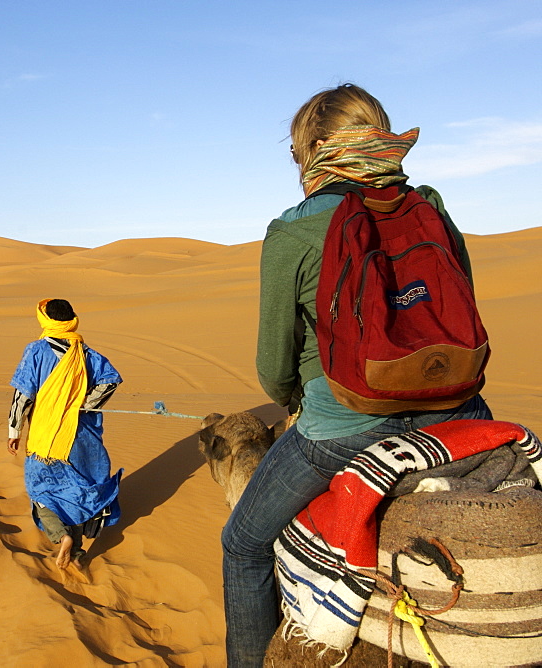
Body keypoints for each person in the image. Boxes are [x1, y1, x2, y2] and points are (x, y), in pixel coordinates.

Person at [221, 84, 493, 667]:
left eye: (298, 154)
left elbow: (275, 362)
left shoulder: (293, 230)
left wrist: (293, 399)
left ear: (316, 148)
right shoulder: (429, 209)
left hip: (347, 422)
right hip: (458, 413)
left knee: (241, 545)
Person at [7, 298, 123, 572]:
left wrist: (14, 429)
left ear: (45, 320)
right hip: (82, 436)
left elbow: (22, 395)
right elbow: (110, 381)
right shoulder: (86, 353)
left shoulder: (35, 351)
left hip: (46, 437)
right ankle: (79, 551)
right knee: (78, 490)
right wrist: (82, 405)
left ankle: (63, 536)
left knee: (42, 490)